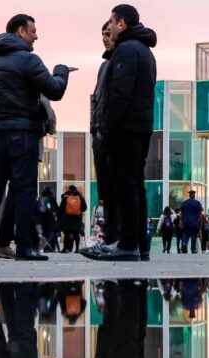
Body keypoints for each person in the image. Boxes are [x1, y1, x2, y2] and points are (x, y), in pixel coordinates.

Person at [0, 14, 73, 262]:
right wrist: (61, 71)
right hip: (23, 134)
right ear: (20, 31)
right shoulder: (28, 60)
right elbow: (55, 90)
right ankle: (25, 248)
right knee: (24, 190)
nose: (36, 36)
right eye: (33, 31)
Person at [80, 5, 157, 262]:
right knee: (135, 186)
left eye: (112, 22)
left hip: (124, 129)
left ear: (121, 23)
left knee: (125, 187)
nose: (109, 27)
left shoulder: (126, 50)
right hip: (139, 127)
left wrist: (107, 127)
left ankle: (126, 245)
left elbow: (120, 94)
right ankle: (137, 245)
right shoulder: (142, 50)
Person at [90, 22, 117, 246]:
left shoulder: (121, 60)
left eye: (108, 34)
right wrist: (93, 129)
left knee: (117, 191)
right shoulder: (104, 65)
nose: (105, 38)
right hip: (100, 134)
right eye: (103, 35)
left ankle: (116, 239)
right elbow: (96, 99)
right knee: (106, 192)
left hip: (112, 134)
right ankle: (109, 239)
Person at [58, 184, 87, 253]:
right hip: (77, 218)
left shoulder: (65, 197)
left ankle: (65, 248)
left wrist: (58, 215)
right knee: (76, 234)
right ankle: (77, 248)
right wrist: (78, 211)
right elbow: (85, 207)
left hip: (67, 218)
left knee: (67, 234)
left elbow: (61, 208)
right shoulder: (80, 197)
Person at [36, 186, 59, 252]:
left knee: (44, 232)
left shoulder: (40, 197)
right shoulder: (52, 197)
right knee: (51, 232)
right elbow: (56, 207)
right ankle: (50, 247)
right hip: (50, 218)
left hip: (41, 218)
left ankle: (45, 248)